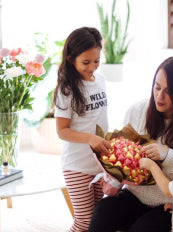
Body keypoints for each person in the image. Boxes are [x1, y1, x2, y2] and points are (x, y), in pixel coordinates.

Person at [89, 56, 173, 232]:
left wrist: (167, 155)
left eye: (168, 91)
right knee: (103, 210)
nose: (159, 96)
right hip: (134, 195)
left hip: (168, 204)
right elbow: (122, 152)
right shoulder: (138, 111)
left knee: (142, 228)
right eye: (157, 87)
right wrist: (115, 183)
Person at [54, 27, 111, 232]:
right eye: (85, 62)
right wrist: (89, 138)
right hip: (77, 166)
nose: (92, 67)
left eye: (96, 61)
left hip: (99, 165)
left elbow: (100, 119)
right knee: (84, 222)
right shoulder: (67, 88)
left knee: (96, 222)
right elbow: (62, 131)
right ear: (71, 59)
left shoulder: (101, 81)